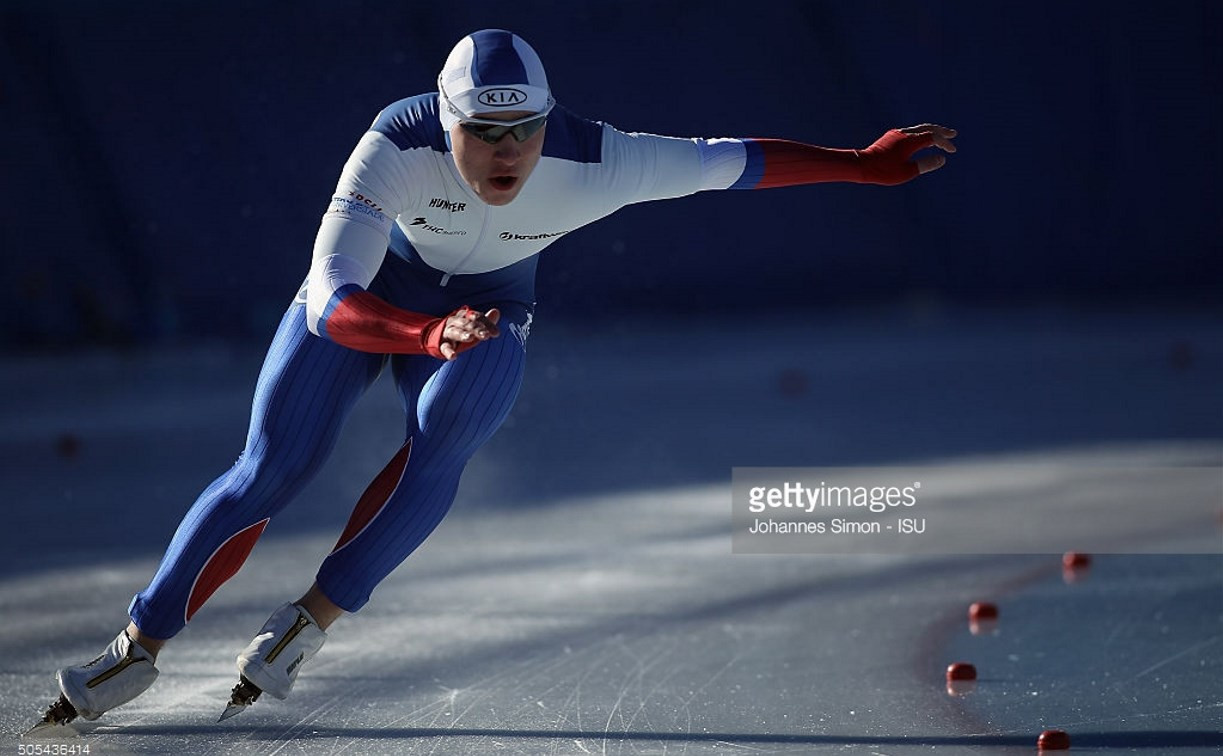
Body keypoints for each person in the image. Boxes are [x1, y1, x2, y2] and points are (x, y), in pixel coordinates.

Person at [35, 28, 956, 728]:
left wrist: (861, 168)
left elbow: (735, 163)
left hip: (486, 316)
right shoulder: (394, 147)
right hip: (378, 302)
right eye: (484, 132)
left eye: (524, 130)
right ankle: (138, 645)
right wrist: (424, 328)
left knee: (457, 420)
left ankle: (312, 617)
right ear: (448, 125)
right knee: (268, 470)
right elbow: (329, 303)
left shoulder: (596, 159)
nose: (508, 152)